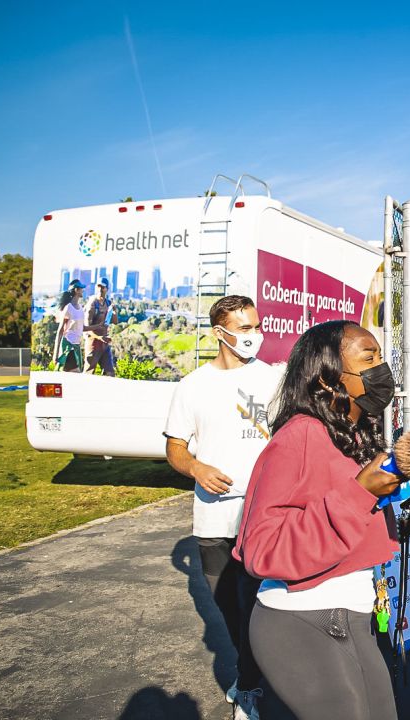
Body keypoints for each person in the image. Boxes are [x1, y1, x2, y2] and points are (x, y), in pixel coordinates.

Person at [234, 320, 401, 720]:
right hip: (303, 620)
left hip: (352, 616)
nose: (382, 368)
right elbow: (262, 549)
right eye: (369, 357)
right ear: (328, 378)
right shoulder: (299, 436)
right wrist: (361, 492)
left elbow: (345, 521)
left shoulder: (353, 434)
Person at [163, 295, 282, 720]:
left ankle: (250, 686)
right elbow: (174, 448)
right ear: (220, 332)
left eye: (256, 326)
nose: (254, 335)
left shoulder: (273, 380)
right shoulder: (192, 385)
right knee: (228, 610)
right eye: (244, 328)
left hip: (263, 517)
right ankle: (253, 673)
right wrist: (196, 468)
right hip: (212, 517)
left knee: (256, 610)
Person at [83, 277, 116, 376]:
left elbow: (115, 322)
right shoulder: (92, 304)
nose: (100, 289)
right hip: (93, 344)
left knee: (110, 373)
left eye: (103, 287)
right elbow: (86, 328)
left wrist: (114, 311)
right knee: (88, 372)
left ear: (107, 289)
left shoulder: (108, 303)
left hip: (104, 345)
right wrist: (98, 337)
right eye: (99, 286)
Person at [53, 279, 86, 372]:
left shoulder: (80, 308)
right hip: (68, 346)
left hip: (76, 346)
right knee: (75, 374)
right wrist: (56, 353)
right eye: (81, 288)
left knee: (69, 376)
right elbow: (60, 330)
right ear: (76, 290)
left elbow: (82, 328)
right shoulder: (68, 308)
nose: (83, 290)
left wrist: (99, 326)